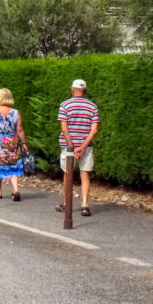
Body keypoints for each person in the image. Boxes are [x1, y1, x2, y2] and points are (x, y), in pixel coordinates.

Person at [56, 78, 99, 216]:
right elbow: (94, 130)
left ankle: (67, 202)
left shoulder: (65, 105)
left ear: (72, 90)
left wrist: (72, 146)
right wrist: (82, 147)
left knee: (67, 173)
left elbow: (64, 128)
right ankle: (85, 205)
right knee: (85, 173)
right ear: (85, 91)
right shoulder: (93, 106)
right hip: (86, 146)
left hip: (69, 147)